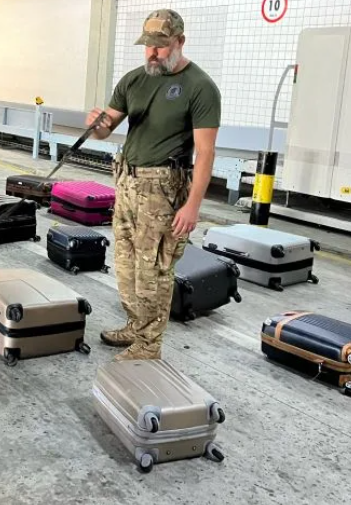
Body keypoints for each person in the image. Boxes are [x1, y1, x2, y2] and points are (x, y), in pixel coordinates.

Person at [86, 9, 221, 361]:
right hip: (127, 183)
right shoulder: (134, 80)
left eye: (160, 46)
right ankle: (135, 325)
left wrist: (192, 206)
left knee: (154, 270)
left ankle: (149, 344)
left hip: (163, 189)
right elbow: (106, 128)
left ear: (179, 42)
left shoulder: (200, 87)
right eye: (148, 46)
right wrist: (97, 124)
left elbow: (205, 153)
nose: (152, 53)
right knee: (126, 263)